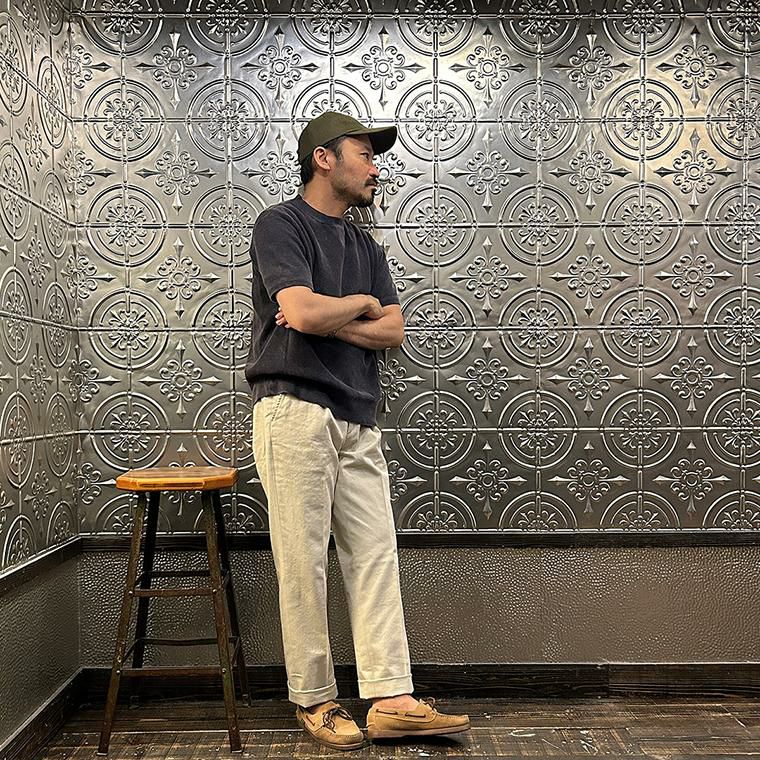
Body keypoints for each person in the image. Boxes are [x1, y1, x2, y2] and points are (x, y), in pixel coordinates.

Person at [244, 111, 471, 751]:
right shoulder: (280, 224)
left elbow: (392, 330)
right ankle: (315, 700)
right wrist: (353, 308)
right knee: (302, 561)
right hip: (293, 408)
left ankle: (391, 699)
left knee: (374, 554)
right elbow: (298, 310)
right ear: (325, 158)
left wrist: (329, 316)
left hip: (357, 414)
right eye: (366, 154)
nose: (376, 168)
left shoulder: (365, 247)